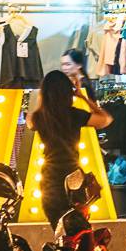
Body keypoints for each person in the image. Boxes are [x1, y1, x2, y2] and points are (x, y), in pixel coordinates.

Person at [30, 68, 112, 227]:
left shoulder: (40, 117)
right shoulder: (74, 114)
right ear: (68, 93)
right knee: (80, 230)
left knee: (59, 231)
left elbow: (30, 122)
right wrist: (82, 97)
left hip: (50, 178)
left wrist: (42, 99)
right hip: (74, 177)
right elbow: (105, 119)